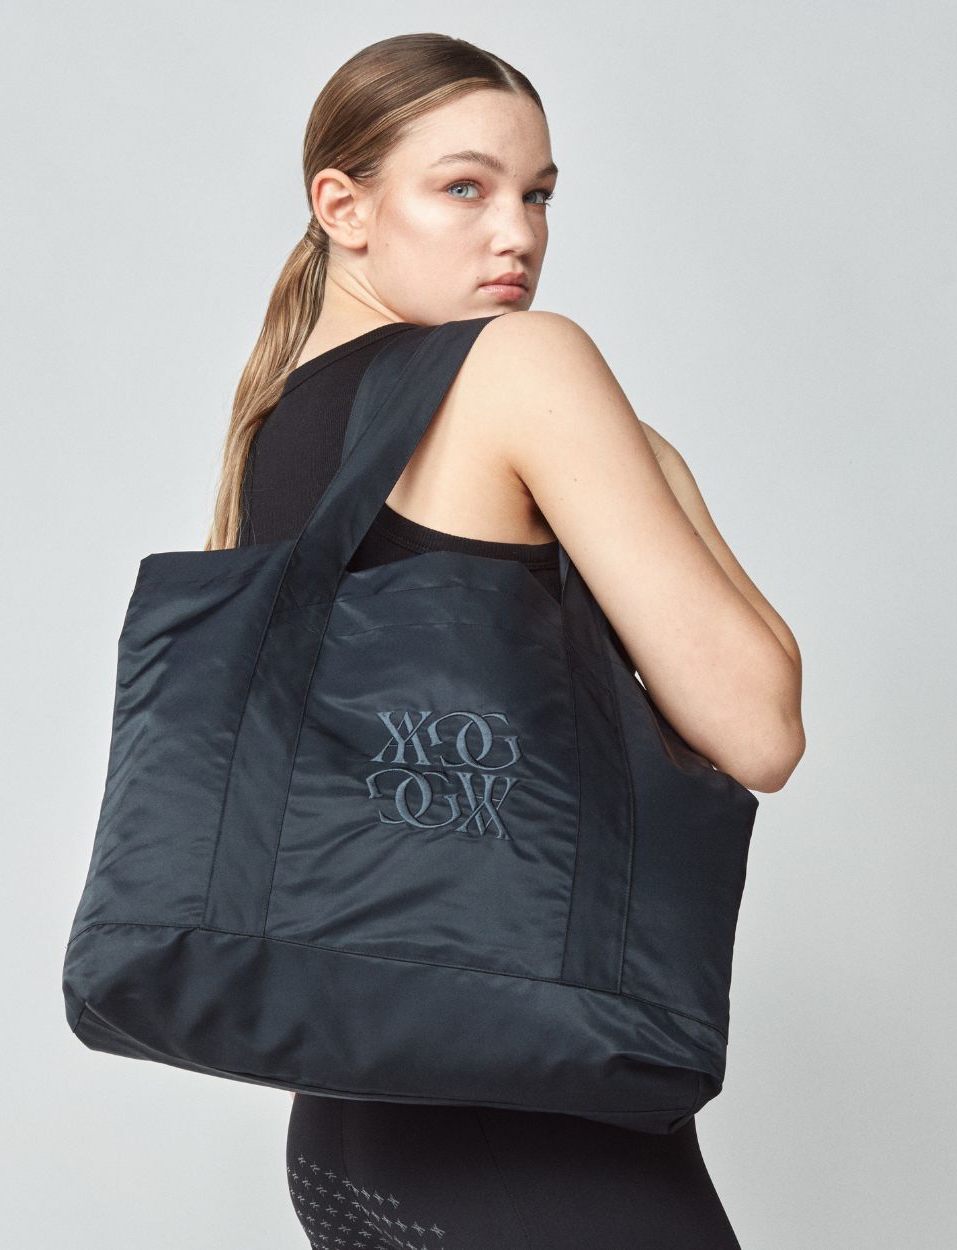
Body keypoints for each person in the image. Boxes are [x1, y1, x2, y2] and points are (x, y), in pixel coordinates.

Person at [206, 31, 805, 1250]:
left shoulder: (275, 425)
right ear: (343, 206)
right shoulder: (523, 364)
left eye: (536, 195)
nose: (515, 234)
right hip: (534, 1133)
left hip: (351, 1130)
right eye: (465, 188)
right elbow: (760, 726)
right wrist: (649, 460)